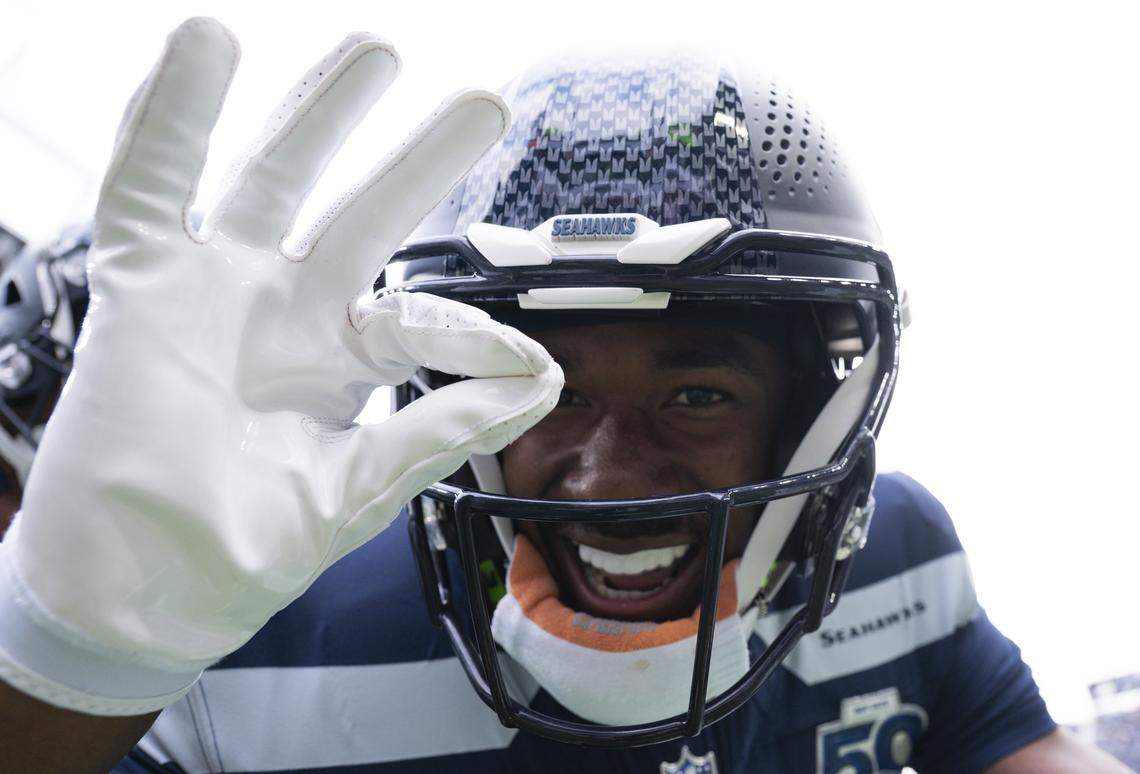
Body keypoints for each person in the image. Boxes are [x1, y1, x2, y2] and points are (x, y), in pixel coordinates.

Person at [0, 18, 1128, 774]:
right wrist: (75, 670)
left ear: (806, 411)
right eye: (539, 394)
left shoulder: (902, 560)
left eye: (695, 394)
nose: (608, 473)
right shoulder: (271, 627)